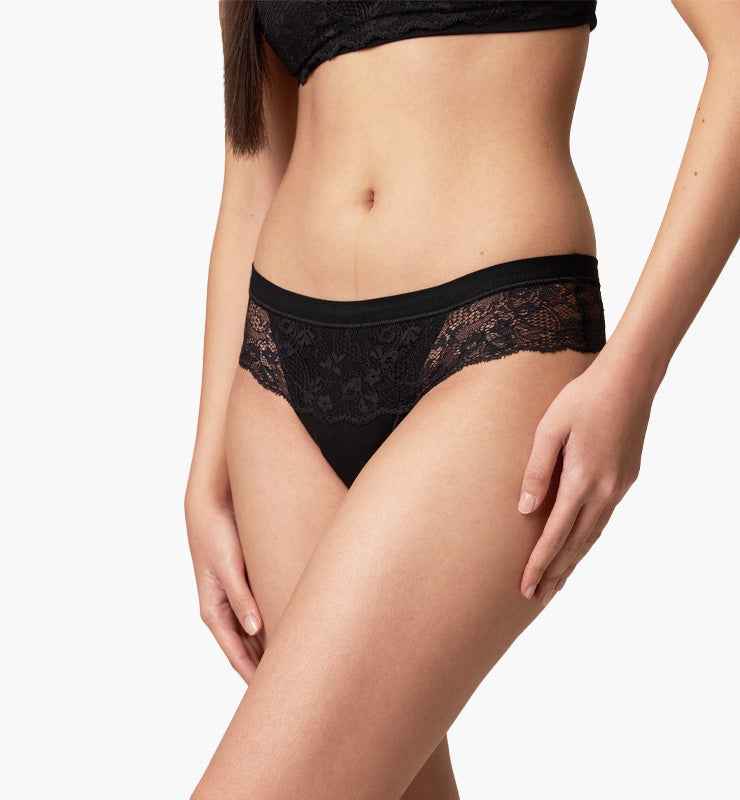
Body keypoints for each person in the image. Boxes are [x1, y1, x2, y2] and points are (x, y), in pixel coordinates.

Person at [185, 2, 740, 797]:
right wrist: (207, 471)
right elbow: (253, 168)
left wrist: (636, 371)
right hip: (277, 390)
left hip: (494, 344)